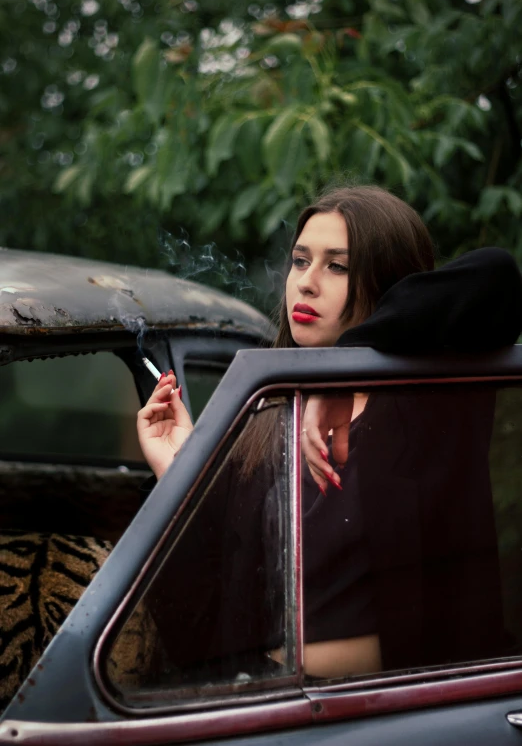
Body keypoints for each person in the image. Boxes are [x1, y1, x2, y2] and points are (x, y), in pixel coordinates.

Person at [137, 185, 522, 679]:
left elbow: (497, 276)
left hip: (397, 713)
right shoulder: (262, 415)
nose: (307, 283)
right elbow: (198, 624)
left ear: (388, 283)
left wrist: (352, 365)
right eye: (300, 261)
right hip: (269, 704)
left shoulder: (424, 401)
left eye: (337, 266)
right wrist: (185, 475)